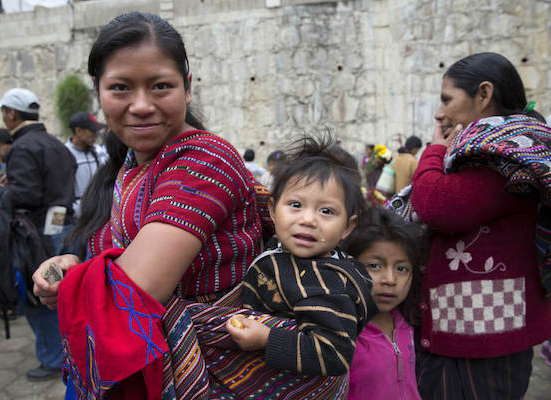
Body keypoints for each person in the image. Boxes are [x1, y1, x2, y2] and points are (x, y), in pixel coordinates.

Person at [31, 12, 262, 399]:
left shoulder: (206, 160)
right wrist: (71, 264)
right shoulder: (130, 168)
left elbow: (138, 286)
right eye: (120, 87)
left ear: (187, 88)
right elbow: (117, 257)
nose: (140, 105)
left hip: (212, 372)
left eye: (160, 86)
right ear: (98, 91)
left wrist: (74, 281)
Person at [390, 52, 551, 399]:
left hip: (481, 343)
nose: (439, 112)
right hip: (471, 332)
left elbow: (436, 205)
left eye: (447, 99)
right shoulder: (488, 151)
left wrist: (433, 150)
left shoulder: (509, 155)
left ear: (483, 94)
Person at [227, 135, 377, 376]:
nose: (307, 220)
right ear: (273, 210)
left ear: (348, 227)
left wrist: (267, 338)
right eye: (295, 205)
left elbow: (334, 353)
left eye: (326, 211)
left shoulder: (327, 283)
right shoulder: (281, 249)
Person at [0, 87, 77, 381]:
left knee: (40, 294)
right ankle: (68, 351)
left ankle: (54, 358)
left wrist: (0, 191)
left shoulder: (22, 147)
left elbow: (26, 194)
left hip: (39, 235)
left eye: (4, 112)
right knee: (63, 294)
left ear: (11, 113)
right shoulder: (55, 143)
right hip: (63, 228)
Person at [343, 207, 423, 399]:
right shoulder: (343, 333)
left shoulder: (408, 325)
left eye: (402, 268)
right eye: (375, 266)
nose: (390, 279)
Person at [64, 111, 108, 219]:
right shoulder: (64, 153)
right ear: (78, 131)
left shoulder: (98, 152)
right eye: (92, 131)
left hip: (99, 214)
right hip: (76, 218)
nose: (96, 134)